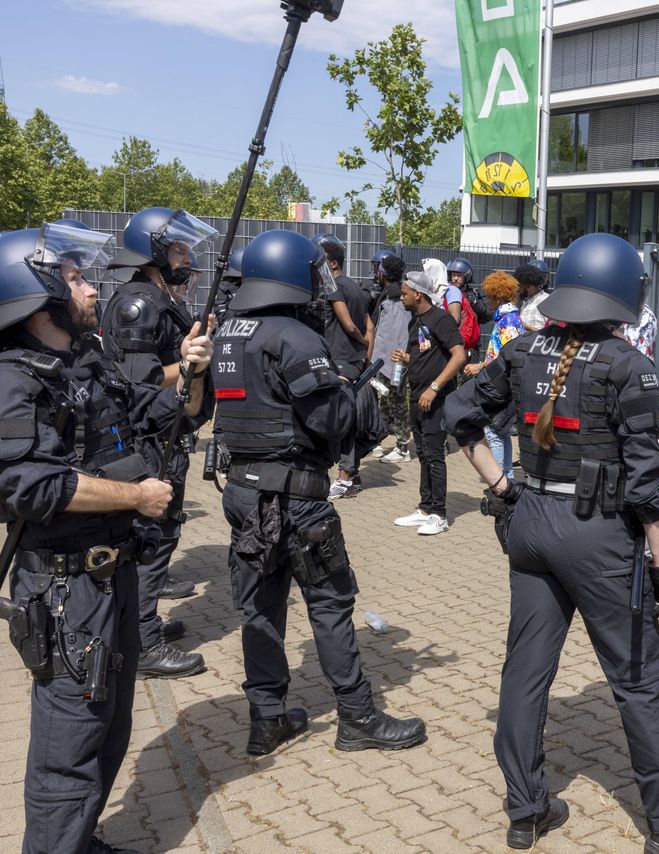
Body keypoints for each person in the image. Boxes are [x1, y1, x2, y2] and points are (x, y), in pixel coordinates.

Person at [442, 232, 659, 853]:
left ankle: (525, 808)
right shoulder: (630, 366)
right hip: (599, 536)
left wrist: (502, 489)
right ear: (623, 294)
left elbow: (457, 415)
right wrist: (658, 565)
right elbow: (647, 485)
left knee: (525, 671)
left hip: (532, 524)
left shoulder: (520, 352)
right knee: (641, 678)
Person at [0, 223, 210, 854]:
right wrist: (136, 496)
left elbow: (162, 412)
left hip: (111, 573)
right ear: (34, 295)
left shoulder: (86, 361)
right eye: (75, 279)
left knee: (109, 725)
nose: (91, 289)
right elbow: (25, 487)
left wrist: (192, 373)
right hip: (65, 587)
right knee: (70, 741)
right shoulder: (15, 377)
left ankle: (80, 839)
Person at [212, 229, 425, 757]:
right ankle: (357, 716)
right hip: (297, 498)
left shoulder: (228, 334)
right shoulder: (295, 337)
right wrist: (359, 400)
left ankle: (266, 720)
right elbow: (329, 419)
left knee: (260, 609)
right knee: (330, 603)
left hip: (242, 492)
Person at [100, 206, 215, 680]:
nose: (188, 258)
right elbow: (136, 381)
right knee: (152, 540)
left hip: (168, 432)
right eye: (180, 248)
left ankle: (140, 626)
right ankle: (143, 643)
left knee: (164, 535)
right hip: (147, 442)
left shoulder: (160, 297)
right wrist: (188, 364)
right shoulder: (138, 303)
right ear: (153, 251)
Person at [390, 269, 467, 536]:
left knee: (435, 456)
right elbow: (426, 357)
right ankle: (425, 508)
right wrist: (406, 359)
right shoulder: (415, 322)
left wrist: (434, 388)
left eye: (404, 293)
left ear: (418, 294)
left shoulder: (441, 319)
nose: (401, 298)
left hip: (435, 398)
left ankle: (440, 514)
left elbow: (459, 356)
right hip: (418, 396)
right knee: (423, 455)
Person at [316, 234, 374, 500]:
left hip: (341, 359)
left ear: (334, 263)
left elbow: (350, 325)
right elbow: (369, 325)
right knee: (347, 415)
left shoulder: (335, 287)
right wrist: (365, 355)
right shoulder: (356, 288)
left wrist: (359, 342)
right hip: (354, 361)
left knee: (342, 419)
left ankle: (345, 477)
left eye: (321, 262)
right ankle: (352, 475)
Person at [462, 271, 526, 479]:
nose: (486, 301)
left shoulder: (507, 321)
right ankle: (505, 476)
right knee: (500, 430)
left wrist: (479, 366)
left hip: (501, 384)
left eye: (489, 296)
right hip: (504, 382)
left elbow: (506, 355)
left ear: (498, 297)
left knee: (494, 432)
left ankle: (500, 478)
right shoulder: (512, 318)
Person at [367, 253, 412, 463]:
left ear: (383, 272)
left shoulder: (395, 297)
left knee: (396, 401)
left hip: (393, 360)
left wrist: (393, 361)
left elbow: (394, 333)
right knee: (385, 401)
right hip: (390, 359)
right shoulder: (390, 294)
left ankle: (402, 447)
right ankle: (378, 441)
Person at [516, 259, 551, 333]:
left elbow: (548, 333)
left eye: (520, 286)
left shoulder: (546, 300)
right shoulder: (526, 303)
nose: (518, 289)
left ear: (529, 286)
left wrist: (524, 325)